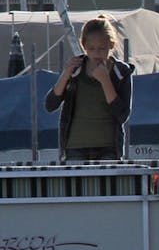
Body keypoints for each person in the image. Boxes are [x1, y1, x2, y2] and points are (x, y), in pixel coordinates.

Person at [44, 14, 134, 162]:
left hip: (109, 148)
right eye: (91, 48)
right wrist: (66, 74)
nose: (97, 53)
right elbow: (50, 105)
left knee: (107, 185)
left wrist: (105, 81)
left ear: (111, 45)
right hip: (75, 147)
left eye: (102, 48)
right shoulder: (76, 70)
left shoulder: (121, 72)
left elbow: (122, 115)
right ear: (84, 45)